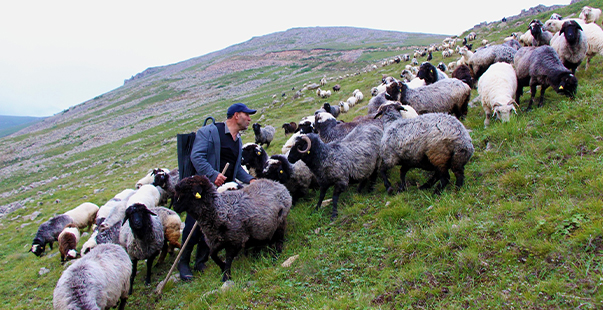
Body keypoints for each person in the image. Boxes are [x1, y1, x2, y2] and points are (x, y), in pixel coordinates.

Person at [177, 102, 257, 281]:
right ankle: (184, 262)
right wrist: (213, 174)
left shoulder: (238, 140)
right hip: (204, 189)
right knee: (193, 224)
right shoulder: (210, 132)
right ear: (236, 115)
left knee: (213, 226)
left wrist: (249, 179)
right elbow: (196, 156)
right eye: (247, 115)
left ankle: (201, 261)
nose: (249, 119)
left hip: (223, 191)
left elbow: (236, 169)